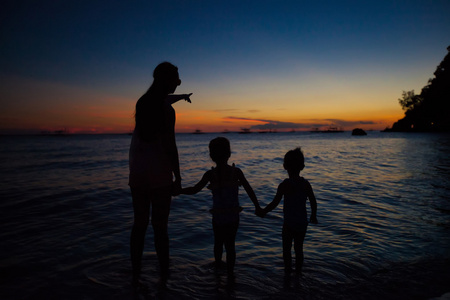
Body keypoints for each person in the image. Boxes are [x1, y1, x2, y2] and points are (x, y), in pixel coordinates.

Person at [129, 62, 192, 285]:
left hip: (137, 174)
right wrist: (178, 177)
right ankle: (164, 276)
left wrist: (182, 95)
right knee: (160, 228)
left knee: (139, 224)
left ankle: (135, 274)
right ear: (167, 80)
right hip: (159, 174)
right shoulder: (167, 111)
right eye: (177, 78)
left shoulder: (143, 102)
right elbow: (170, 145)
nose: (179, 81)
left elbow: (162, 98)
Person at [180, 137, 263, 276]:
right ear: (229, 154)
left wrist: (179, 191)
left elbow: (194, 190)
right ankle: (230, 274)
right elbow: (249, 190)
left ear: (211, 156)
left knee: (218, 243)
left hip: (218, 217)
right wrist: (257, 207)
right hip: (233, 217)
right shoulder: (236, 172)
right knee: (230, 246)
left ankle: (218, 270)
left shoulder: (210, 174)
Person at [260, 147, 318, 273]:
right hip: (302, 223)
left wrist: (263, 211)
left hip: (289, 223)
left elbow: (275, 203)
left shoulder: (284, 185)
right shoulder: (305, 184)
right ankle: (298, 272)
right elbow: (313, 201)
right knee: (299, 249)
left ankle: (287, 272)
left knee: (287, 250)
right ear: (302, 166)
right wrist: (313, 215)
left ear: (285, 166)